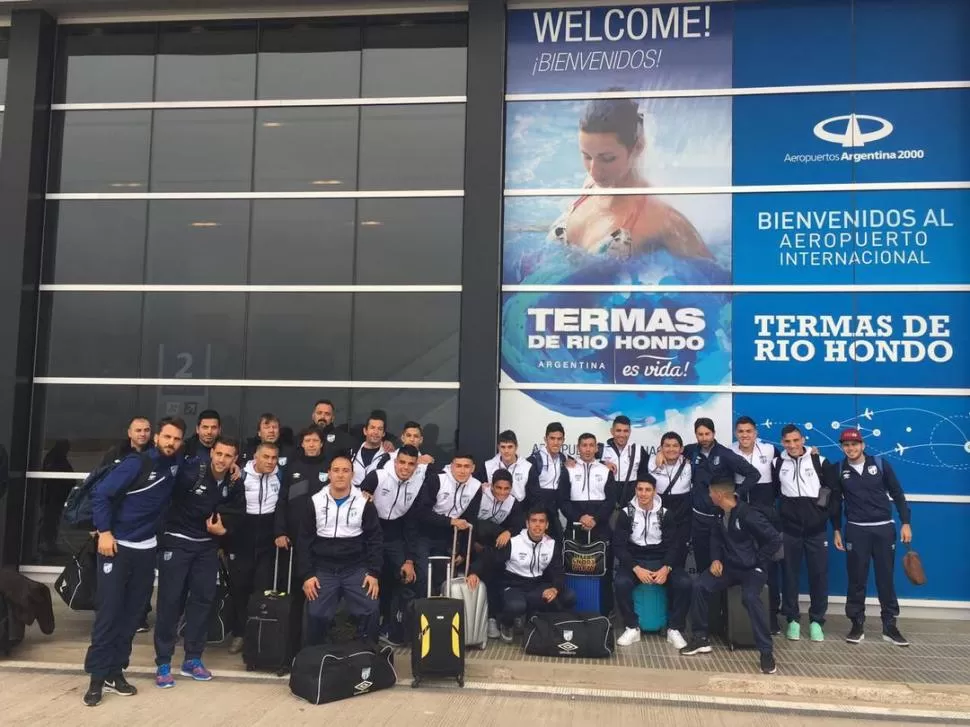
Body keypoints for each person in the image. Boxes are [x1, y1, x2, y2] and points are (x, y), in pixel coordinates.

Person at [82, 416, 186, 707]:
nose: (171, 443)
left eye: (177, 439)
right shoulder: (136, 463)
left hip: (146, 551)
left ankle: (116, 672)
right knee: (109, 614)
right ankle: (96, 678)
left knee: (131, 616)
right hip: (117, 548)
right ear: (156, 438)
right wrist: (104, 532)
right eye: (167, 437)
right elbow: (101, 495)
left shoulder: (177, 466)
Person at [548, 94, 713, 261]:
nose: (594, 171)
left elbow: (717, 277)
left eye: (607, 159)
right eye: (587, 156)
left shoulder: (663, 220)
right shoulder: (589, 188)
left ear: (638, 147)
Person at [153, 437, 239, 688]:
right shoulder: (191, 472)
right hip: (178, 542)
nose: (222, 460)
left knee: (202, 601)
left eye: (228, 456)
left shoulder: (233, 482)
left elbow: (237, 512)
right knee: (170, 601)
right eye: (219, 453)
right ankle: (164, 662)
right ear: (212, 453)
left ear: (235, 460)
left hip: (206, 548)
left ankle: (192, 658)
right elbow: (164, 495)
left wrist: (225, 530)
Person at [680, 480, 781, 675]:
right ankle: (700, 638)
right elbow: (716, 537)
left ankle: (766, 653)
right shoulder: (719, 512)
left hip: (753, 570)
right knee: (700, 585)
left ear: (720, 495)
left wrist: (757, 561)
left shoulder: (749, 515)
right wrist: (716, 559)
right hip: (729, 568)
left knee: (750, 598)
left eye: (711, 493)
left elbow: (774, 539)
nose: (709, 496)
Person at [833, 429, 912, 647]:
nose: (851, 449)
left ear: (863, 445)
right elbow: (835, 503)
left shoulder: (880, 464)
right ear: (842, 447)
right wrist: (837, 529)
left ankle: (890, 626)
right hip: (856, 530)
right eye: (846, 445)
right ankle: (857, 624)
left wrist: (905, 522)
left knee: (885, 579)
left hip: (883, 530)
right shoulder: (839, 469)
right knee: (857, 579)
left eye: (855, 444)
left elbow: (897, 493)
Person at [298, 455, 382, 646]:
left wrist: (373, 573)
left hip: (355, 568)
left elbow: (375, 540)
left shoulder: (364, 503)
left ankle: (367, 658)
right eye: (336, 470)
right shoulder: (315, 501)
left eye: (345, 471)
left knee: (370, 608)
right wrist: (307, 575)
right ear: (328, 473)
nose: (340, 475)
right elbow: (304, 541)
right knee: (315, 612)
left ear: (352, 474)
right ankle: (315, 660)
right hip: (324, 569)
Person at [467, 507, 576, 643]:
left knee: (568, 596)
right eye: (534, 521)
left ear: (547, 525)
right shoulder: (514, 542)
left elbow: (558, 571)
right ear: (527, 524)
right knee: (516, 606)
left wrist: (554, 588)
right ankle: (506, 624)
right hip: (513, 585)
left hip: (536, 585)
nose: (537, 525)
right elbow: (489, 557)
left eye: (541, 521)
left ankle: (537, 621)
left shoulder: (551, 544)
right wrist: (473, 572)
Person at [773, 423, 839, 643]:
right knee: (790, 575)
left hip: (816, 531)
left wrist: (822, 516)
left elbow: (833, 493)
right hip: (790, 530)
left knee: (818, 575)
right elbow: (774, 494)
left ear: (802, 439)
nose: (792, 445)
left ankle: (816, 621)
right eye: (787, 441)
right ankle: (792, 619)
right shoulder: (777, 463)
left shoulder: (819, 461)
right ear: (782, 442)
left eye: (796, 440)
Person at [360, 446, 427, 646]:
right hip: (371, 533)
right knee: (369, 579)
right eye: (402, 462)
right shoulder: (378, 476)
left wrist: (409, 560)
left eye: (411, 464)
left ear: (416, 466)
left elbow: (411, 524)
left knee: (407, 577)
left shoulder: (418, 483)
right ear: (396, 461)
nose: (405, 468)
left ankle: (394, 629)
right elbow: (358, 499)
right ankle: (363, 633)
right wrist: (364, 497)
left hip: (396, 534)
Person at [221, 441, 283, 655]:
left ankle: (258, 634)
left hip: (267, 538)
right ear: (255, 457)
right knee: (239, 589)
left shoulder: (280, 476)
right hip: (242, 536)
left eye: (274, 458)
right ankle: (239, 632)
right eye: (266, 457)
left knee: (262, 589)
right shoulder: (240, 475)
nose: (270, 462)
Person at [613, 477, 691, 649]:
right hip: (636, 559)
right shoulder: (626, 514)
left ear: (654, 491)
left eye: (647, 490)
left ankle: (674, 628)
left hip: (660, 558)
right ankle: (632, 627)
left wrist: (666, 568)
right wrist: (636, 568)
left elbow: (673, 545)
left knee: (684, 583)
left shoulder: (665, 513)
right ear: (635, 491)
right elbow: (619, 546)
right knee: (621, 582)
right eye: (640, 489)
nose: (643, 494)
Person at [274, 425, 331, 652]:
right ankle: (292, 645)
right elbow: (282, 502)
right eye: (307, 440)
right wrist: (279, 531)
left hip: (322, 541)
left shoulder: (330, 468)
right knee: (296, 595)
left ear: (321, 443)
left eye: (315, 441)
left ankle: (318, 644)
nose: (311, 444)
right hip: (294, 542)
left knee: (320, 594)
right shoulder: (293, 469)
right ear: (302, 443)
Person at [682, 418, 760, 573]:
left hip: (719, 520)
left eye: (707, 434)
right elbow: (671, 449)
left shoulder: (725, 454)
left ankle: (721, 598)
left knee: (721, 567)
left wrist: (737, 494)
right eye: (700, 434)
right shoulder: (691, 450)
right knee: (702, 565)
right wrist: (659, 453)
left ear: (714, 433)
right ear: (695, 435)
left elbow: (754, 474)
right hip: (698, 519)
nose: (704, 438)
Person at [731, 415, 783, 633]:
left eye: (748, 431)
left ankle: (772, 618)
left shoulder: (770, 451)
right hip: (741, 516)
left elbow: (789, 464)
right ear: (736, 433)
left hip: (765, 518)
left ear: (756, 433)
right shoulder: (729, 451)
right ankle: (737, 618)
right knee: (741, 563)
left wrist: (813, 453)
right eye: (741, 431)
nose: (745, 435)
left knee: (768, 567)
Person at [558, 432, 616, 614]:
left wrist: (595, 519)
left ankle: (604, 611)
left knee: (604, 569)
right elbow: (563, 500)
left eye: (592, 445)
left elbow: (610, 501)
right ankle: (572, 608)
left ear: (596, 448)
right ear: (578, 447)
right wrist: (579, 517)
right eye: (584, 445)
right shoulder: (568, 469)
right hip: (575, 526)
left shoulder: (605, 470)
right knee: (572, 566)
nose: (588, 449)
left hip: (601, 526)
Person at [472, 469, 525, 640]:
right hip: (474, 542)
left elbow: (518, 526)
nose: (502, 492)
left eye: (506, 488)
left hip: (494, 548)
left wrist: (508, 532)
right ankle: (490, 618)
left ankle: (494, 618)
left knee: (496, 572)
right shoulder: (479, 495)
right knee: (483, 526)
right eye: (498, 488)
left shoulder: (513, 502)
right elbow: (468, 519)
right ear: (492, 486)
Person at [420, 452, 482, 583]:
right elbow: (422, 513)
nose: (462, 470)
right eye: (458, 466)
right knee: (423, 576)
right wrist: (451, 521)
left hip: (447, 536)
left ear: (473, 468)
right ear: (451, 466)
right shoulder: (437, 479)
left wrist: (464, 552)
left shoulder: (476, 486)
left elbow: (471, 521)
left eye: (466, 466)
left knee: (442, 578)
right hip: (424, 532)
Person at [645, 432, 692, 565]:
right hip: (659, 515)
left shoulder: (691, 462)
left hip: (683, 517)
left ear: (681, 449)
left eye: (675, 446)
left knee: (680, 556)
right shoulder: (649, 462)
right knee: (659, 554)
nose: (671, 449)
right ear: (661, 448)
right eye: (667, 446)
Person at [526, 422, 568, 540]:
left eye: (559, 439)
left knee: (558, 542)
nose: (556, 442)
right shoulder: (534, 459)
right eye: (552, 438)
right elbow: (530, 489)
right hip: (538, 507)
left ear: (563, 440)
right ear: (545, 439)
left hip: (555, 506)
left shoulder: (563, 458)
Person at [476, 430, 537, 505]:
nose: (506, 451)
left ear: (516, 447)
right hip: (492, 509)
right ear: (498, 447)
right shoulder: (487, 466)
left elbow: (534, 497)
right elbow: (475, 490)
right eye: (503, 447)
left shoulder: (528, 467)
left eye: (510, 447)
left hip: (519, 509)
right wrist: (479, 488)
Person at [600, 415, 648, 508]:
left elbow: (646, 474)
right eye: (618, 430)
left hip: (631, 502)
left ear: (630, 432)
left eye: (625, 431)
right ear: (612, 431)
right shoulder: (601, 449)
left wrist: (660, 454)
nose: (622, 434)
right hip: (605, 501)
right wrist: (603, 463)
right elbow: (585, 462)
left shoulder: (638, 450)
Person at [39, 439, 75, 557]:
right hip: (52, 498)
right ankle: (46, 545)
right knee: (49, 521)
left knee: (51, 521)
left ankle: (48, 544)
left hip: (55, 497)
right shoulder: (55, 458)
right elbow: (51, 479)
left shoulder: (57, 458)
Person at [351, 413, 391, 487]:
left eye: (380, 429)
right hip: (353, 497)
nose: (376, 432)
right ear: (365, 431)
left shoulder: (389, 455)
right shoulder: (351, 451)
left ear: (383, 433)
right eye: (372, 428)